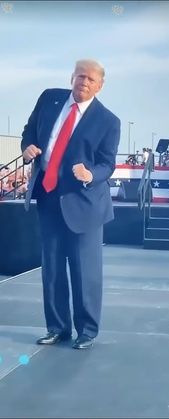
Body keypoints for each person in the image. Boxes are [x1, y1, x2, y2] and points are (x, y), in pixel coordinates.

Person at [21, 59, 121, 349]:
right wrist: (27, 148)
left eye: (90, 79)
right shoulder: (49, 98)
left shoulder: (108, 121)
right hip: (48, 196)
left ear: (99, 86)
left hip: (85, 203)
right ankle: (57, 328)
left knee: (84, 271)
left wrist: (91, 175)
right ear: (71, 77)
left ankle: (87, 330)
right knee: (51, 267)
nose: (84, 82)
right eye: (80, 76)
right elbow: (29, 131)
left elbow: (107, 163)